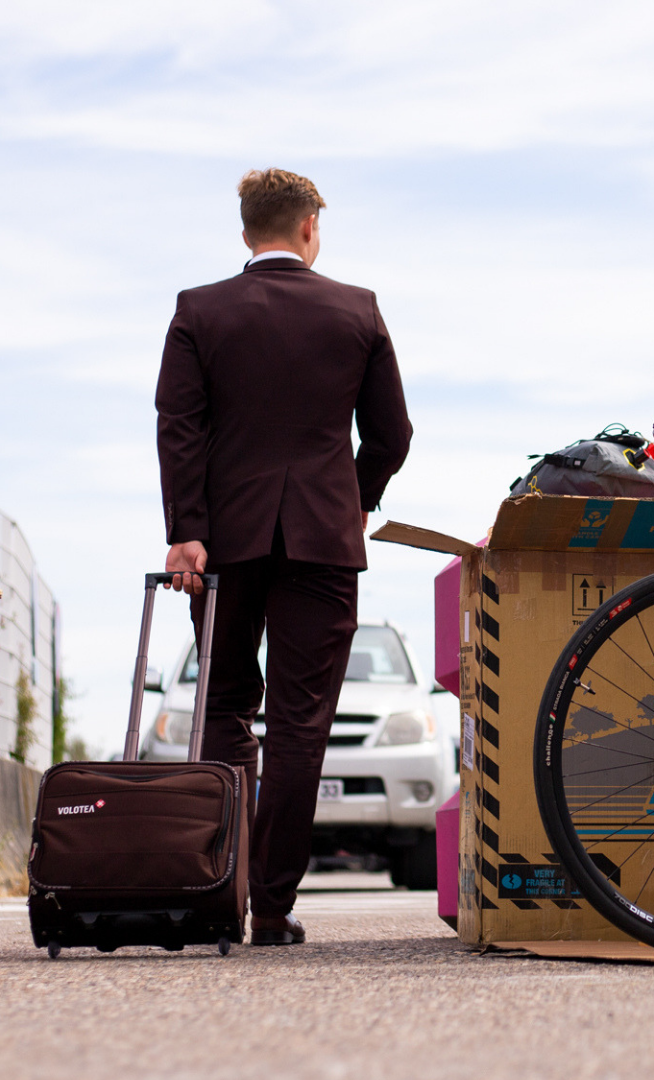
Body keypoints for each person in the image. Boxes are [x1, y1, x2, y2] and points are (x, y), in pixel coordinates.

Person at [156, 168, 412, 945]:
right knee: (303, 724)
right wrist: (353, 501)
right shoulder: (356, 310)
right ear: (309, 229)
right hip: (325, 543)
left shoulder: (199, 311)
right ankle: (270, 908)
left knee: (225, 707)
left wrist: (187, 529)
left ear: (245, 233)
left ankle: (217, 887)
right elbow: (392, 434)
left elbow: (180, 428)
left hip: (224, 541)